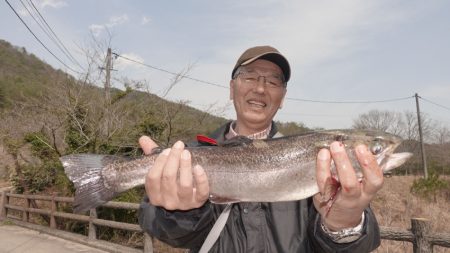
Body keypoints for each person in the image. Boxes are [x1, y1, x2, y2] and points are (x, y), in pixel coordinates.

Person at [138, 46, 382, 252]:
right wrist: (181, 214)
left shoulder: (319, 159)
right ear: (232, 88)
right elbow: (160, 226)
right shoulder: (187, 156)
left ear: (283, 97)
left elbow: (356, 245)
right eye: (250, 76)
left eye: (273, 81)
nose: (261, 88)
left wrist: (343, 224)